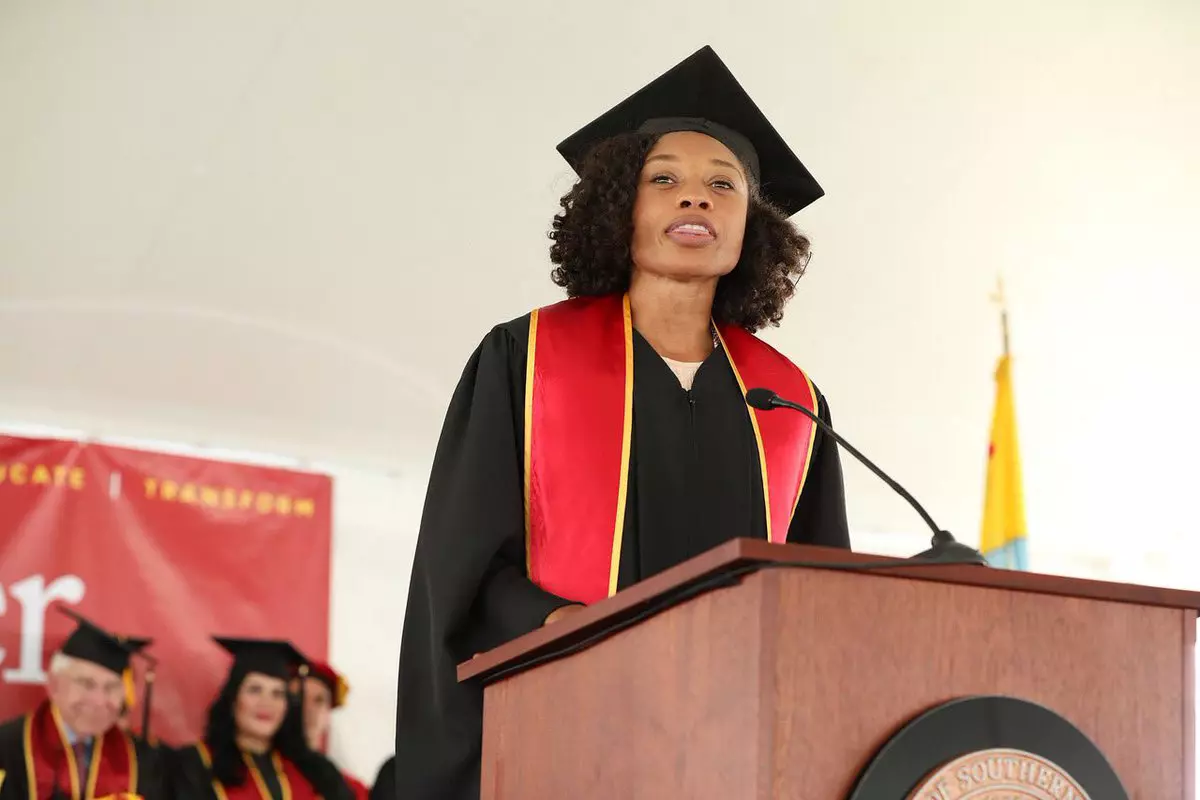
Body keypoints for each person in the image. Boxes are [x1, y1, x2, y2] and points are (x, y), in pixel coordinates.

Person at [392, 44, 852, 799]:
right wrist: (559, 625)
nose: (695, 199)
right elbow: (462, 568)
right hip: (566, 730)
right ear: (619, 207)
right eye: (663, 179)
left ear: (753, 225)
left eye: (723, 184)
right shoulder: (526, 359)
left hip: (732, 755)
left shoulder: (790, 401)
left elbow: (820, 606)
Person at [0, 608, 167, 799]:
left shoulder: (143, 759)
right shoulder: (7, 748)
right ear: (54, 685)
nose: (99, 700)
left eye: (111, 687)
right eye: (86, 684)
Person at [170, 638, 352, 800]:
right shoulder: (194, 765)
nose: (267, 703)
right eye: (255, 690)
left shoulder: (313, 771)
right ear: (233, 699)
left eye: (277, 693)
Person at [301, 660, 370, 799]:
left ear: (329, 712)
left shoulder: (354, 790)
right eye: (300, 698)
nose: (308, 709)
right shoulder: (265, 776)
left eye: (319, 700)